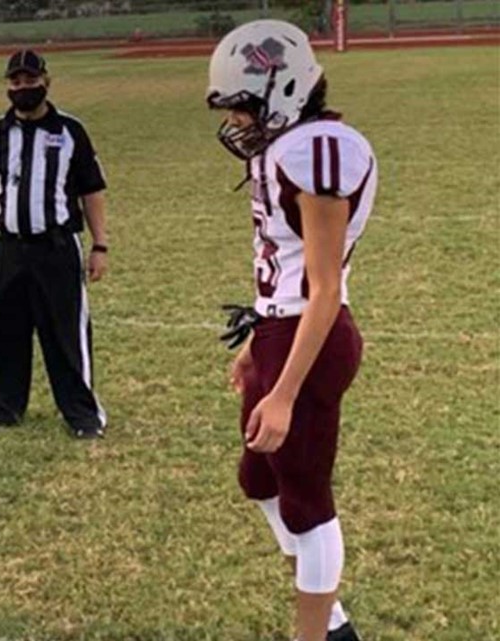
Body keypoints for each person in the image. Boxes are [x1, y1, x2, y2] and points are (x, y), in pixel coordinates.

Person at [207, 20, 376, 641]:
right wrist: (258, 343)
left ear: (280, 91)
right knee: (258, 480)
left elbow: (323, 289)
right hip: (281, 330)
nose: (238, 122)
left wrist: (283, 392)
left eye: (243, 107)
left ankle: (318, 634)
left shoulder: (320, 150)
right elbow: (285, 270)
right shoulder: (291, 147)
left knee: (307, 497)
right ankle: (328, 616)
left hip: (312, 335)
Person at [0, 49, 109, 439]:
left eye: (30, 81)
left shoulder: (69, 132)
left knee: (65, 333)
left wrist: (100, 245)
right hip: (7, 247)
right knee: (5, 331)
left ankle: (82, 414)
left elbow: (92, 191)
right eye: (16, 82)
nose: (23, 88)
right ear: (7, 85)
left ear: (46, 81)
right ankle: (2, 407)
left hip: (56, 246)